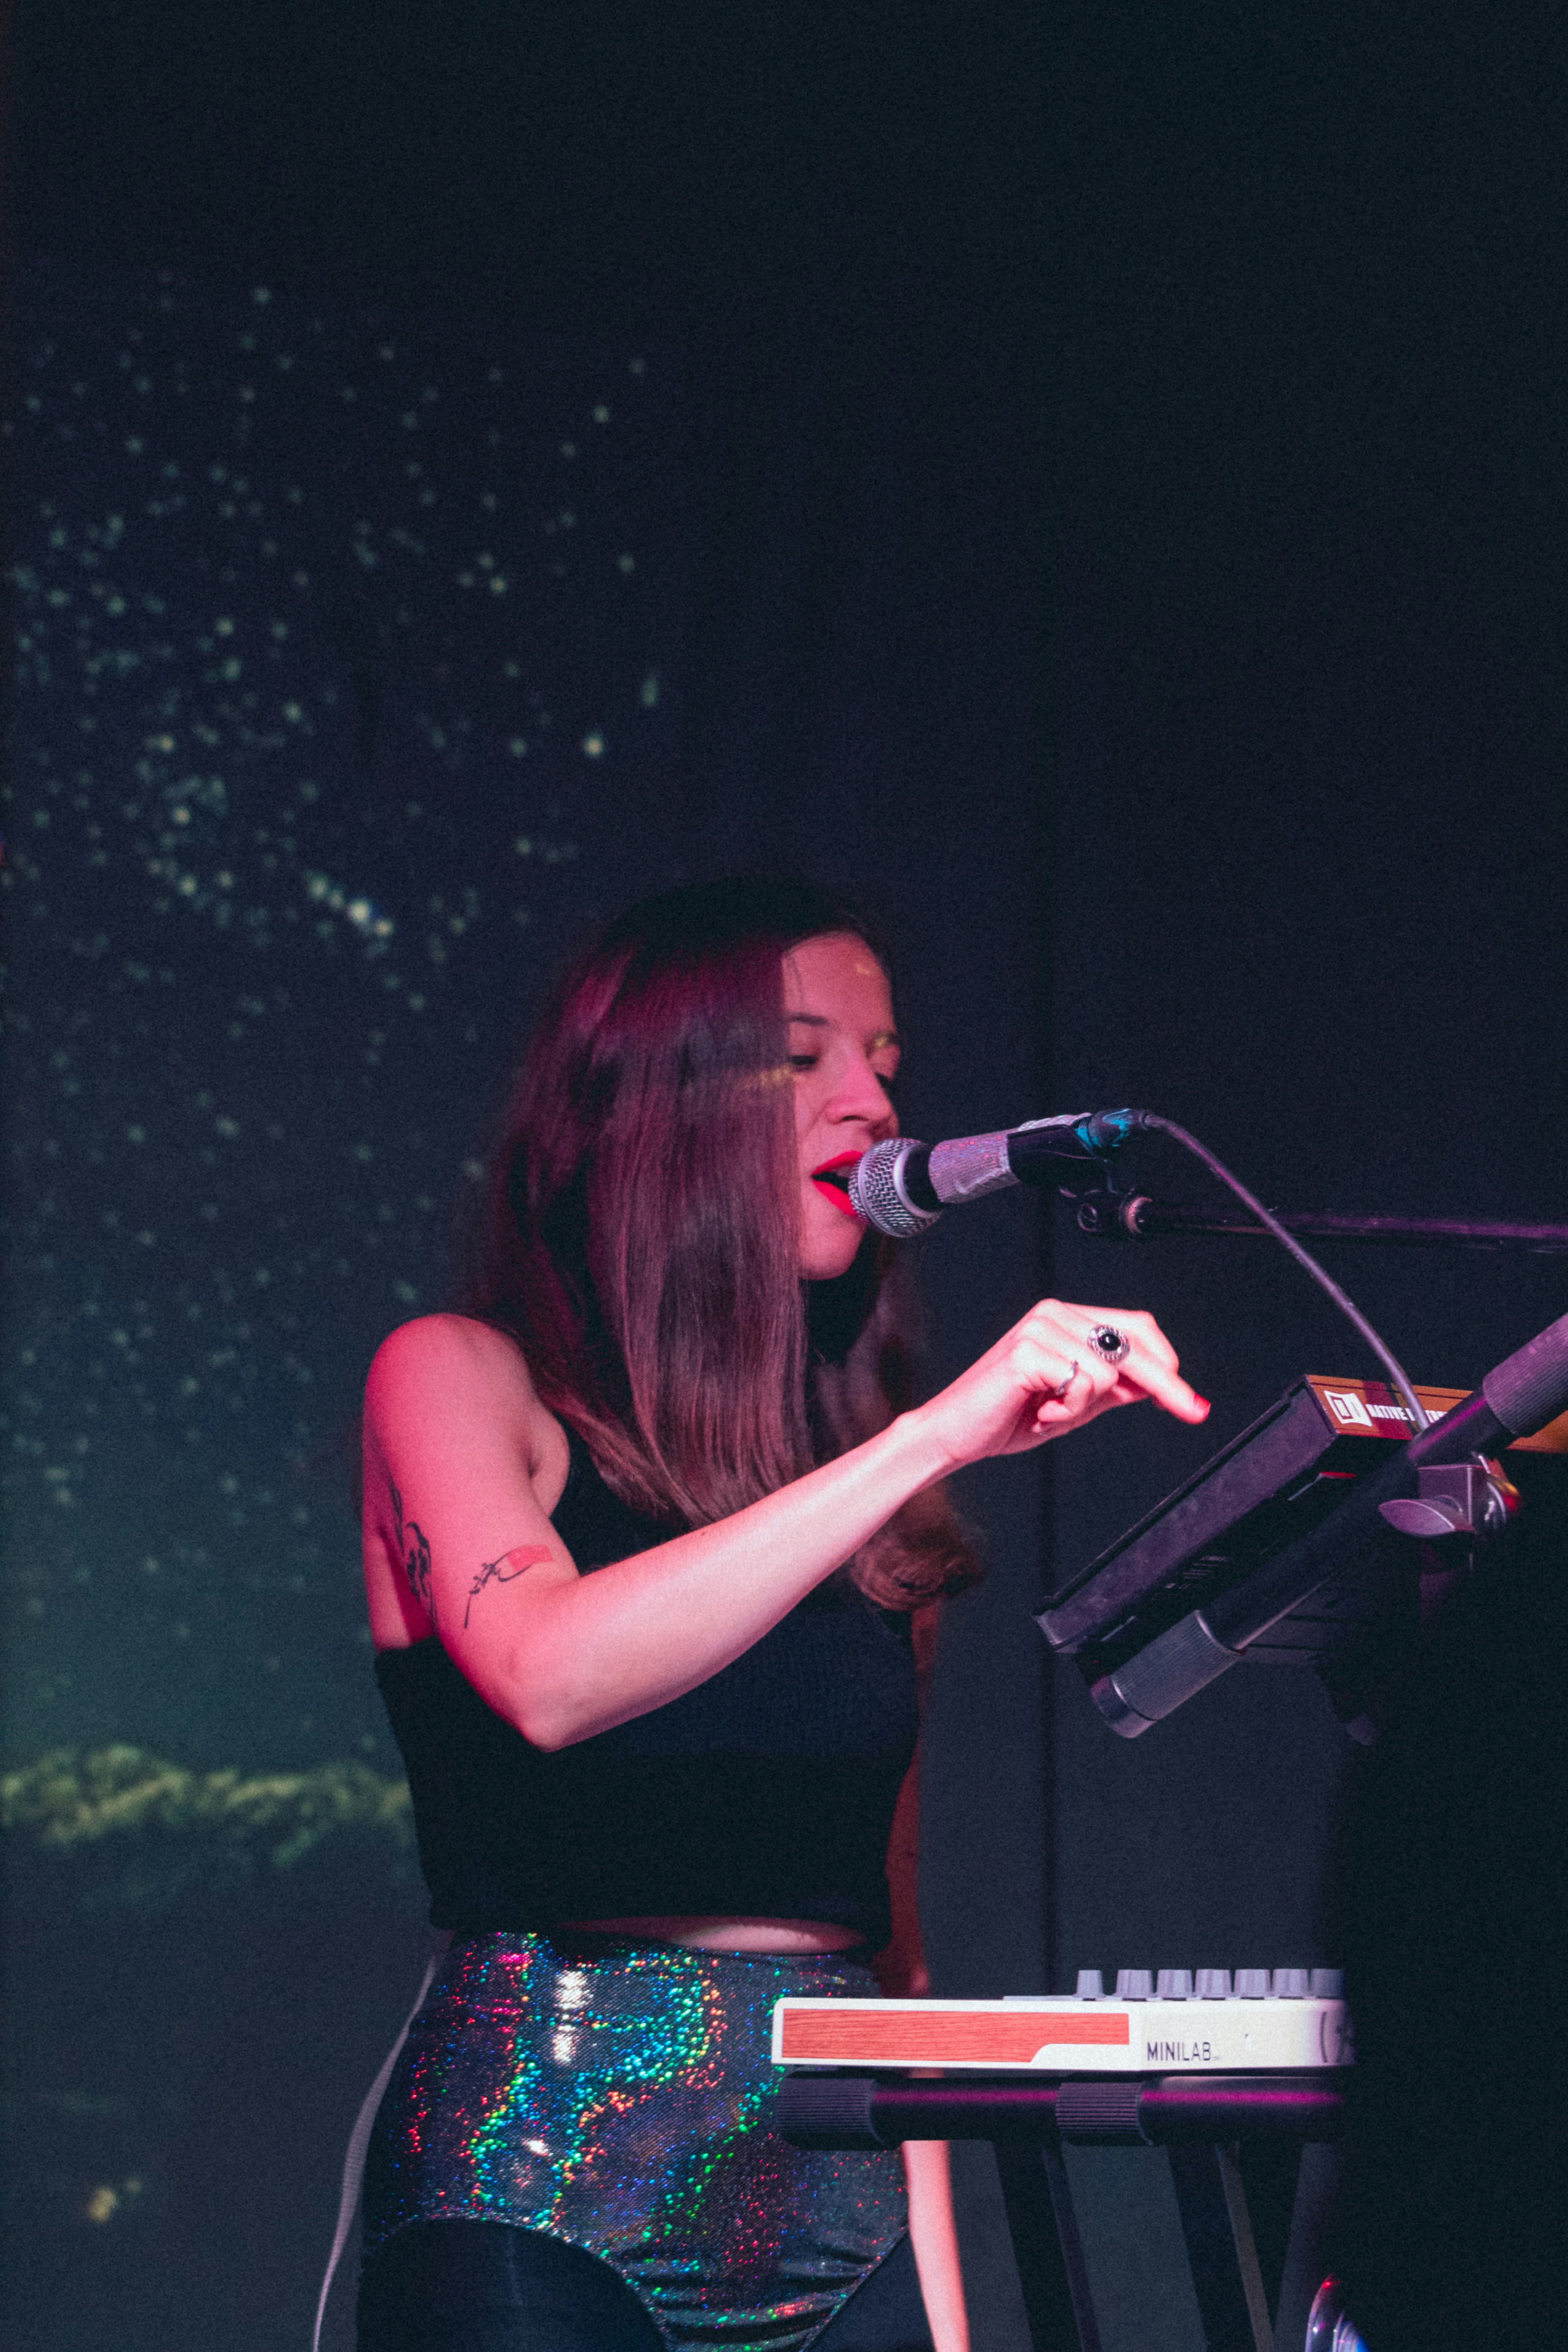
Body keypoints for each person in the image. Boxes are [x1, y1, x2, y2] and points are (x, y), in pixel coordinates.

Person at [353, 877, 1209, 2352]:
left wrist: (943, 2313)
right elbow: (548, 1673)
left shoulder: (857, 1487)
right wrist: (928, 1440)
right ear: (648, 1104)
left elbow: (897, 1954)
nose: (872, 1103)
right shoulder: (456, 1375)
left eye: (884, 1059)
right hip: (533, 2185)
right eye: (804, 1055)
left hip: (838, 2207)